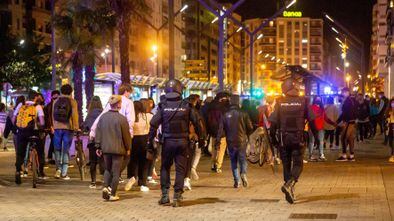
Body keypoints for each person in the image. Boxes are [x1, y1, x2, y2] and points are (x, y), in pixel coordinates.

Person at [147, 79, 205, 207]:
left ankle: (165, 195)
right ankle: (177, 196)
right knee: (180, 169)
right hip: (182, 142)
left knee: (165, 167)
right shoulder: (187, 105)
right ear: (180, 90)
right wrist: (201, 139)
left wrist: (150, 141)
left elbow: (153, 125)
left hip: (167, 142)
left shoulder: (163, 106)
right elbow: (198, 122)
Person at [269, 78, 310, 204]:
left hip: (283, 139)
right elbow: (312, 119)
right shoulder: (304, 101)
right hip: (299, 139)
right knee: (298, 164)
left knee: (286, 165)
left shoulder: (280, 102)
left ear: (284, 89)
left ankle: (289, 188)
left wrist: (274, 140)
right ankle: (290, 184)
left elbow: (273, 123)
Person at [90, 83, 135, 184]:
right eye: (129, 93)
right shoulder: (128, 102)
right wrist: (129, 134)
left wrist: (93, 131)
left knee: (109, 161)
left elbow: (101, 117)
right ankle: (114, 179)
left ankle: (108, 182)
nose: (129, 95)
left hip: (108, 134)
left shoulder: (111, 101)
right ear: (126, 91)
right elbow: (130, 120)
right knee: (125, 158)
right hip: (121, 134)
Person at [96, 95, 132, 201]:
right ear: (119, 104)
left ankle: (106, 187)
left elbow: (99, 132)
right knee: (116, 172)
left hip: (105, 148)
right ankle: (113, 194)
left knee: (107, 169)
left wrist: (98, 146)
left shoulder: (103, 117)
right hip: (118, 149)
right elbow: (126, 136)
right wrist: (128, 147)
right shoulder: (122, 119)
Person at [217, 94, 253, 188]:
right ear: (238, 102)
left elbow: (220, 129)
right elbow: (250, 127)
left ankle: (236, 181)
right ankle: (243, 173)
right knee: (243, 159)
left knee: (233, 161)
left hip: (230, 141)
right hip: (241, 140)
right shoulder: (243, 113)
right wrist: (247, 135)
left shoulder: (225, 114)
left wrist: (217, 141)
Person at [12, 91, 45, 184]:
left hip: (21, 132)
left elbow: (13, 119)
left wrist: (17, 127)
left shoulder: (20, 106)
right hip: (33, 132)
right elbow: (42, 122)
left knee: (20, 153)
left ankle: (18, 170)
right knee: (40, 151)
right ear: (35, 98)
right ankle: (41, 171)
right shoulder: (37, 107)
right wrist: (41, 127)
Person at [52, 84, 79, 180]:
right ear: (71, 92)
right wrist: (76, 127)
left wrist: (54, 126)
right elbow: (74, 115)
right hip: (68, 128)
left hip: (57, 128)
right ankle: (64, 173)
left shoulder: (55, 101)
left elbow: (53, 115)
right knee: (66, 150)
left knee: (57, 149)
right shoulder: (72, 101)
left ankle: (58, 170)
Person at [125, 100, 153, 192]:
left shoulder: (130, 117)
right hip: (144, 140)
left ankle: (132, 177)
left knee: (133, 161)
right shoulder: (147, 116)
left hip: (133, 140)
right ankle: (142, 183)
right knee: (144, 162)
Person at [184, 94, 206, 190]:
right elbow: (199, 125)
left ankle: (182, 179)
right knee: (189, 158)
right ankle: (186, 179)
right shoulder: (194, 111)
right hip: (191, 138)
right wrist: (201, 138)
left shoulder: (180, 109)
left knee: (181, 160)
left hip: (177, 138)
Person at [82, 96, 105, 189]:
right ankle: (104, 179)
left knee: (93, 162)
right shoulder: (103, 113)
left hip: (92, 140)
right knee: (102, 160)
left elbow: (86, 126)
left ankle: (93, 181)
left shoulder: (89, 114)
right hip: (102, 140)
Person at [206, 92, 230, 173]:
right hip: (222, 131)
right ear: (222, 98)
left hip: (212, 131)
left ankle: (213, 164)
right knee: (221, 149)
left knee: (214, 148)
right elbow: (224, 121)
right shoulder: (223, 108)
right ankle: (218, 166)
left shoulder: (211, 106)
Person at [307, 96, 335, 161]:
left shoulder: (322, 108)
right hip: (312, 127)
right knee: (312, 142)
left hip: (320, 127)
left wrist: (332, 123)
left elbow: (325, 118)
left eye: (319, 99)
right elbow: (309, 117)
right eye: (317, 99)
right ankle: (311, 155)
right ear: (314, 100)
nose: (318, 100)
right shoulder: (311, 107)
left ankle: (321, 155)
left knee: (320, 141)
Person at [336, 87, 357, 162]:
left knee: (343, 138)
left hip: (348, 122)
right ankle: (351, 156)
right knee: (350, 139)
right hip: (352, 122)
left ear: (347, 92)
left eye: (343, 92)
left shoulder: (348, 101)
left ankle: (344, 155)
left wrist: (338, 121)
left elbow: (345, 113)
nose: (342, 94)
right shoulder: (352, 100)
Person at [44, 90, 60, 164]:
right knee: (54, 141)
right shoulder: (49, 106)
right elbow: (48, 117)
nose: (56, 99)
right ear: (52, 97)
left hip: (58, 126)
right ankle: (51, 157)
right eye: (54, 97)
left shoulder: (60, 105)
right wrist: (50, 126)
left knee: (54, 141)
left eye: (57, 97)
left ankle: (52, 157)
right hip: (51, 126)